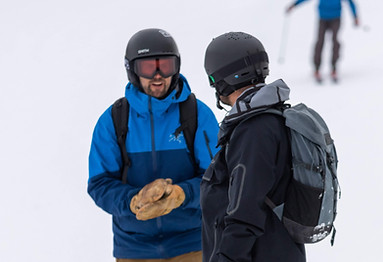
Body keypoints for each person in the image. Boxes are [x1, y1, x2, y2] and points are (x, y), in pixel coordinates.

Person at [88, 28, 219, 262]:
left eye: (165, 66)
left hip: (192, 243)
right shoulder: (114, 120)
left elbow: (219, 179)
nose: (158, 75)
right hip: (133, 247)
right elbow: (99, 184)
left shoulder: (197, 115)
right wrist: (133, 200)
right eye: (148, 67)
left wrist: (181, 194)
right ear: (132, 70)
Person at [200, 31, 306, 262]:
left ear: (221, 80)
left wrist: (226, 257)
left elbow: (245, 209)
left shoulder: (254, 130)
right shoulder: (274, 118)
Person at [286, 0, 359, 82]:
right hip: (323, 18)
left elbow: (350, 2)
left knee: (335, 41)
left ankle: (334, 68)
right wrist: (294, 5)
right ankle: (317, 69)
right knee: (320, 42)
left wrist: (355, 16)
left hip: (336, 18)